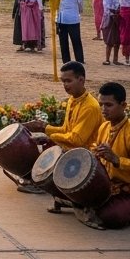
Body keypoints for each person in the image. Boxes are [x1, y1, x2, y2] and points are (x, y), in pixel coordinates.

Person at [67, 82, 130, 230]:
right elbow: (95, 149)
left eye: (109, 105)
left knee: (112, 216)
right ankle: (90, 206)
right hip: (107, 186)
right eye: (101, 105)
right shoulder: (104, 127)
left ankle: (91, 208)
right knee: (67, 188)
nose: (104, 110)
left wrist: (116, 160)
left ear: (123, 105)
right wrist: (95, 153)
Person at [20, 62, 102, 192]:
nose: (65, 85)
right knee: (43, 143)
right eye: (63, 81)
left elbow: (76, 139)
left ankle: (44, 184)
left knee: (49, 145)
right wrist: (44, 127)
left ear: (81, 80)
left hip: (86, 154)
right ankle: (38, 180)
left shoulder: (90, 107)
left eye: (68, 81)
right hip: (73, 148)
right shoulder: (72, 99)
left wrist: (48, 134)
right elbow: (66, 130)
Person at [54, 0, 84, 65]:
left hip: (61, 19)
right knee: (76, 41)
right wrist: (79, 11)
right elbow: (80, 5)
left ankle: (66, 61)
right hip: (73, 19)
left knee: (63, 42)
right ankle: (80, 60)